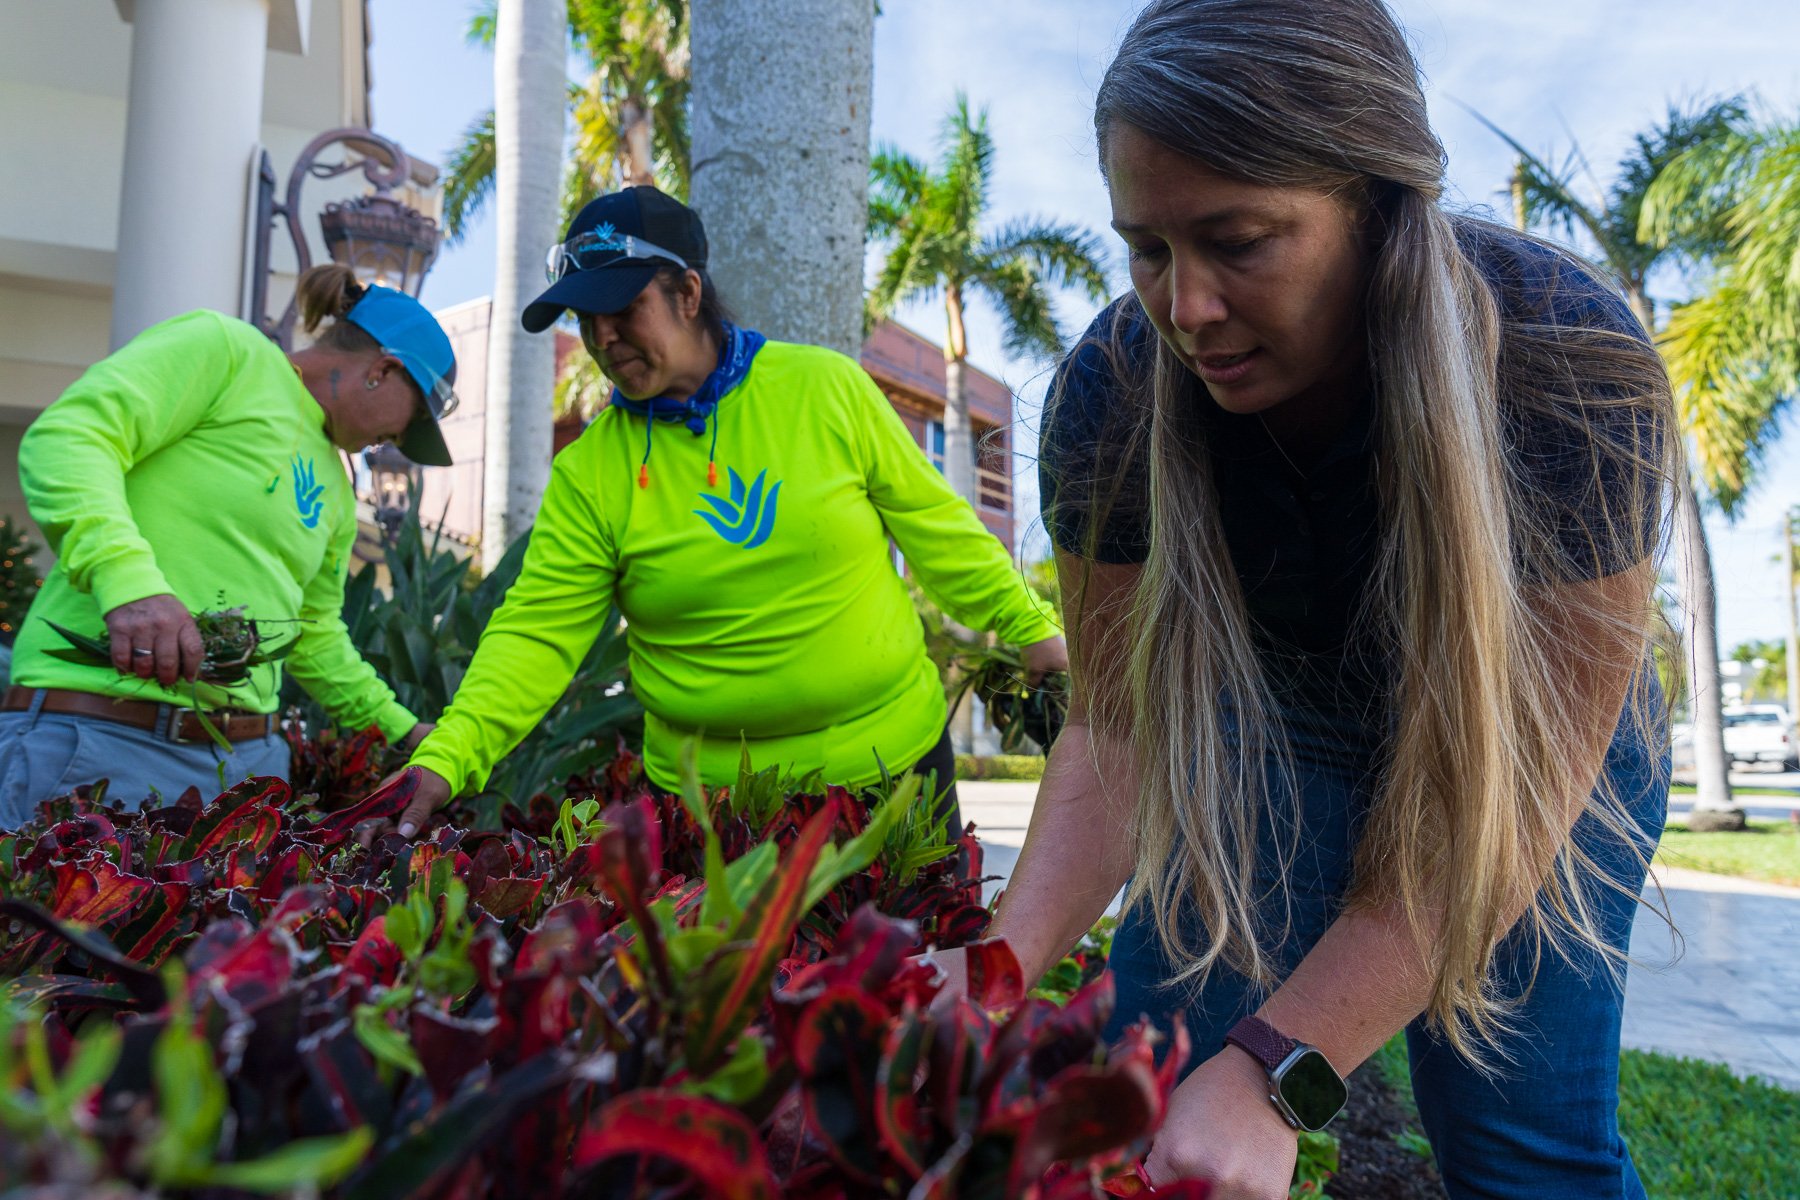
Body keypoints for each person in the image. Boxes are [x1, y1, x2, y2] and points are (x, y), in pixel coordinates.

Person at [929, 4, 1678, 1199]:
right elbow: (1118, 726)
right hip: (1270, 721)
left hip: (1540, 756)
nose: (1186, 310)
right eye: (1149, 248)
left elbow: (1503, 803)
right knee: (1155, 1081)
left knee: (1523, 1153)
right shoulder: (1117, 393)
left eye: (1238, 240)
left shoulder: (1566, 366)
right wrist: (998, 968)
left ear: (1380, 210)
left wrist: (1284, 1068)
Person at [392, 186, 1065, 837]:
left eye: (622, 306)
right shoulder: (590, 473)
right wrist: (449, 754)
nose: (603, 336)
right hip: (714, 811)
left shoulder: (825, 389)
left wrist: (1032, 631)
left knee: (927, 957)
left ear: (687, 294)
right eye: (583, 317)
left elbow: (940, 534)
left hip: (892, 775)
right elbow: (538, 633)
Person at [0, 267, 453, 824]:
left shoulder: (338, 486)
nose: (402, 442)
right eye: (414, 422)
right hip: (103, 737)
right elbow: (71, 437)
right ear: (383, 371)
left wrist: (405, 732)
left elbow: (313, 635)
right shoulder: (228, 352)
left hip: (250, 772)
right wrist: (128, 584)